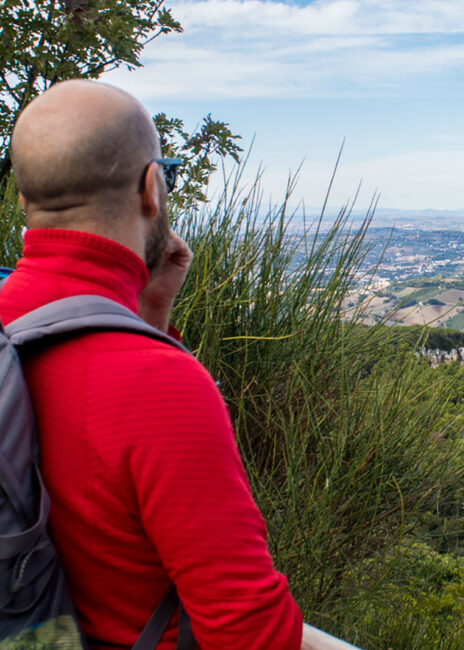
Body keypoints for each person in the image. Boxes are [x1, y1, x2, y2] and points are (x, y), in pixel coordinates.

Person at [0, 80, 305, 649]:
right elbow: (249, 633)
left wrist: (147, 311)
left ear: (24, 200)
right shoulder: (158, 383)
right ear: (151, 189)